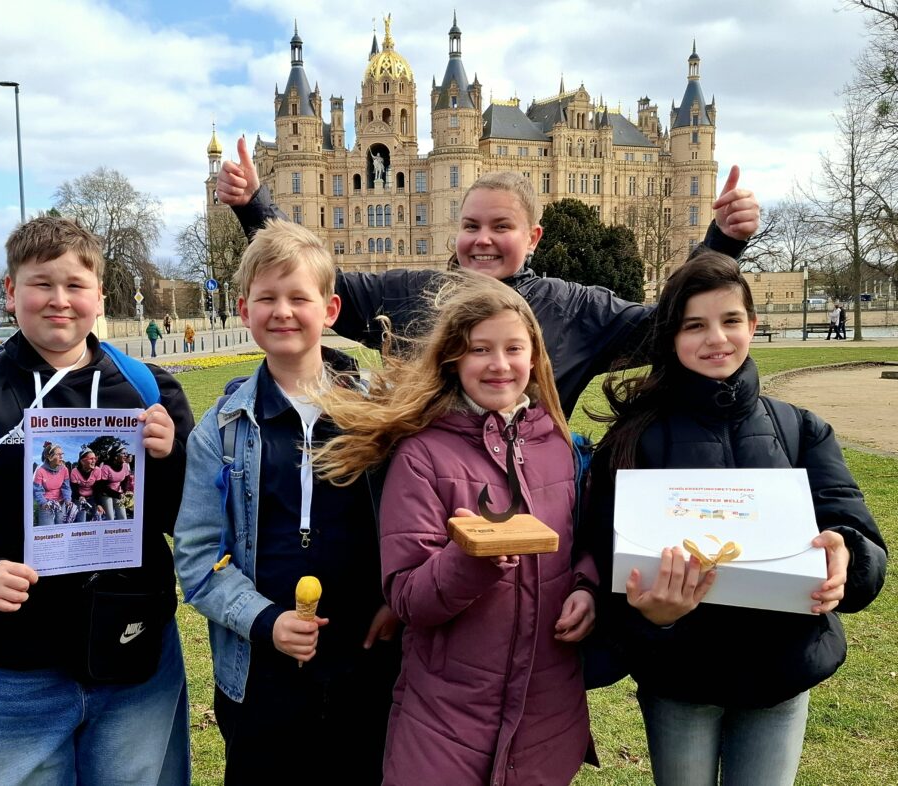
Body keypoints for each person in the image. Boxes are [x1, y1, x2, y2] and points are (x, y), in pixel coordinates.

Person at [0, 216, 195, 785]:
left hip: (134, 661)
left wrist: (169, 461)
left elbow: (186, 521)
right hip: (8, 674)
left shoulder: (148, 390)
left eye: (75, 285)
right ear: (10, 291)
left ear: (99, 294)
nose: (59, 300)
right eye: (41, 283)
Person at [583, 253, 887, 786]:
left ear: (752, 324)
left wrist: (848, 555)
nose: (716, 339)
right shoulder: (633, 440)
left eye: (730, 321)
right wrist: (654, 618)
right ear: (671, 337)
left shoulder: (801, 429)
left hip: (780, 670)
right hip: (681, 677)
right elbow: (602, 556)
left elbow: (853, 528)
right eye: (694, 325)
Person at [216, 135, 760, 415]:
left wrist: (722, 243)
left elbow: (664, 325)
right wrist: (254, 206)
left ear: (533, 237)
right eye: (471, 225)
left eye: (502, 226)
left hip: (531, 500)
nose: (482, 239)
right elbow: (316, 281)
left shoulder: (574, 308)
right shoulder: (411, 292)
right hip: (422, 509)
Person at [307, 270, 598, 785]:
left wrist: (586, 587)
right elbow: (407, 596)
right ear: (454, 358)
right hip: (445, 722)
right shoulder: (423, 455)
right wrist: (467, 562)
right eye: (480, 349)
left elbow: (582, 543)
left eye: (513, 348)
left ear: (534, 357)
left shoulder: (556, 443)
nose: (500, 364)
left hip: (545, 717)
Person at [173, 219, 400, 786]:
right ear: (245, 310)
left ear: (329, 310)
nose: (283, 311)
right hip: (262, 676)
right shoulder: (219, 431)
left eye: (299, 297)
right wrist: (267, 621)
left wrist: (400, 600)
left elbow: (416, 517)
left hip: (365, 665)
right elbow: (198, 559)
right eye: (266, 298)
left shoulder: (380, 413)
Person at [32, 441, 74, 526]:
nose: (61, 457)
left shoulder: (64, 469)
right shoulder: (40, 471)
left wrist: (68, 500)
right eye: (58, 454)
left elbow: (66, 487)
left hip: (61, 503)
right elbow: (37, 490)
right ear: (49, 457)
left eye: (62, 454)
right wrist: (43, 503)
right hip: (46, 504)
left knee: (61, 528)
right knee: (47, 530)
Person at [70, 448, 106, 522]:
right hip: (79, 498)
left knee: (96, 517)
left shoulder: (97, 470)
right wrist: (80, 497)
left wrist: (99, 504)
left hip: (92, 497)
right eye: (91, 458)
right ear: (82, 461)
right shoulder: (74, 472)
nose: (94, 461)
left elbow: (98, 489)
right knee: (81, 520)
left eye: (95, 458)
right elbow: (74, 489)